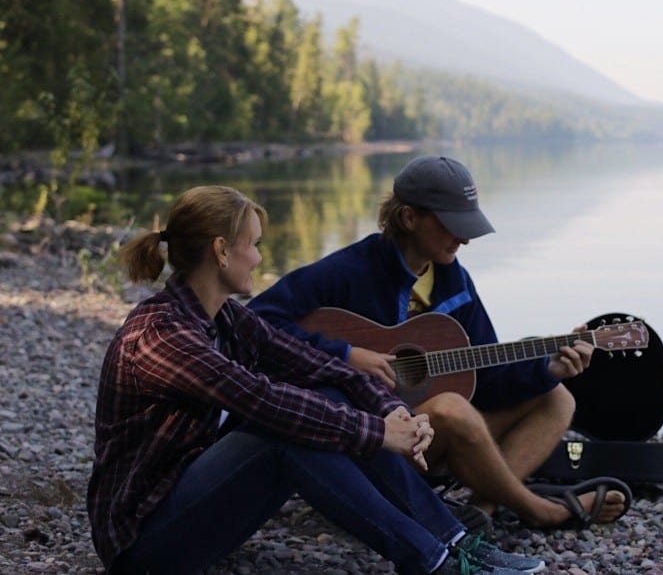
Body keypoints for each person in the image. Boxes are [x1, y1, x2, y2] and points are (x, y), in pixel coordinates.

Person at [86, 185, 545, 575]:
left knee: (322, 394)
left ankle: (455, 541)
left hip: (192, 498)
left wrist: (391, 410)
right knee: (284, 429)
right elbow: (263, 400)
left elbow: (314, 364)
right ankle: (433, 561)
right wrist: (380, 434)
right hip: (142, 544)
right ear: (222, 251)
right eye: (253, 244)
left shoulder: (224, 316)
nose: (259, 257)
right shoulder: (161, 336)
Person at [248, 156, 630, 530]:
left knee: (558, 397)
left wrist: (547, 369)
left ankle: (483, 507)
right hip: (366, 444)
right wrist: (347, 354)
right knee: (450, 408)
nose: (464, 238)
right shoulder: (349, 271)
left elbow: (487, 378)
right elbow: (255, 321)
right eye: (452, 225)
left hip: (429, 444)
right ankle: (541, 511)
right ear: (409, 218)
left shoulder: (455, 283)